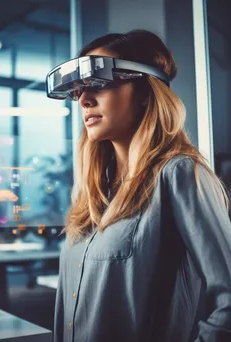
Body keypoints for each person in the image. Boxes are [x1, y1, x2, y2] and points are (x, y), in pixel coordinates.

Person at [45, 30, 231, 342]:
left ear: (146, 91)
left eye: (98, 83)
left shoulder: (180, 174)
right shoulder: (91, 192)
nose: (84, 99)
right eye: (78, 90)